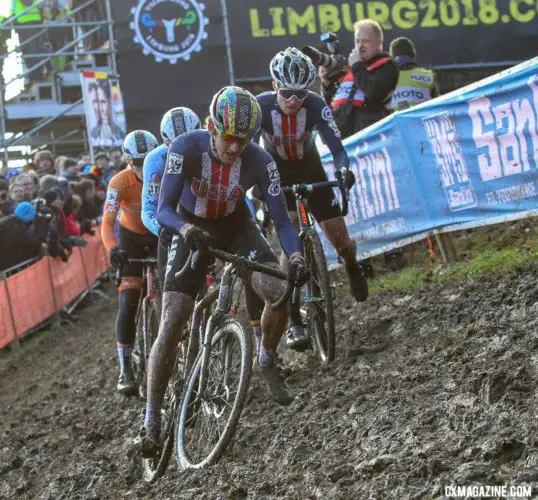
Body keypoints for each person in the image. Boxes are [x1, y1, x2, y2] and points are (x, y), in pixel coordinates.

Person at [140, 86, 309, 456]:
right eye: (229, 138)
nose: (235, 149)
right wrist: (185, 230)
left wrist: (294, 257)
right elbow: (163, 208)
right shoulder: (184, 148)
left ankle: (266, 357)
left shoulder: (260, 161)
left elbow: (281, 221)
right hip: (186, 227)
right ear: (211, 126)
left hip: (235, 227)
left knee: (279, 292)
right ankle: (151, 419)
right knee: (173, 321)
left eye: (243, 141)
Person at [259, 48, 368, 337]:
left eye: (300, 94)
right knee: (291, 237)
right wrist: (256, 188)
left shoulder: (317, 105)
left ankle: (351, 264)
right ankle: (294, 315)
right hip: (276, 170)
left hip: (309, 167)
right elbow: (249, 155)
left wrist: (343, 170)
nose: (294, 101)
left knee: (341, 241)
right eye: (286, 93)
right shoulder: (261, 107)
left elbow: (338, 150)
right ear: (274, 87)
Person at [100, 130, 159, 396]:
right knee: (128, 300)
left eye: (148, 160)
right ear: (128, 161)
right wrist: (113, 249)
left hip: (159, 233)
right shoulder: (119, 182)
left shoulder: (165, 172)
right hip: (130, 238)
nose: (144, 168)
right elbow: (107, 223)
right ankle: (125, 368)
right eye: (137, 163)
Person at [141, 106, 201, 283]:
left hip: (204, 213)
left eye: (190, 144)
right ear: (166, 144)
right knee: (168, 285)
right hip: (173, 219)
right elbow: (149, 209)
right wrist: (160, 229)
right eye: (176, 146)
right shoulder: (154, 160)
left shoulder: (214, 148)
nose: (184, 152)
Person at [318, 19, 398, 138]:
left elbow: (374, 93)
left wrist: (356, 66)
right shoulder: (351, 68)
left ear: (379, 43)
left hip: (369, 135)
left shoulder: (387, 65)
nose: (360, 46)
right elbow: (332, 103)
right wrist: (326, 84)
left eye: (365, 41)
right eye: (357, 41)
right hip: (342, 134)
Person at [388, 37, 438, 112]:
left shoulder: (385, 77)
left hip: (395, 121)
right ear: (413, 53)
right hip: (422, 120)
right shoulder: (428, 76)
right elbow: (437, 104)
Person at [11, 0, 45, 85]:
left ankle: (35, 76)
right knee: (34, 51)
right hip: (35, 24)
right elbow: (41, 8)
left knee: (31, 52)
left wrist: (16, 28)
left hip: (24, 27)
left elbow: (13, 14)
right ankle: (36, 75)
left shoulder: (15, 1)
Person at [88, 79, 125, 145]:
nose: (100, 109)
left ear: (111, 102)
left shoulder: (122, 133)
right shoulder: (95, 135)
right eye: (96, 102)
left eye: (103, 102)